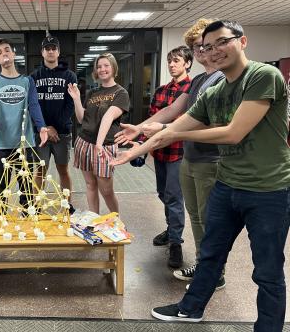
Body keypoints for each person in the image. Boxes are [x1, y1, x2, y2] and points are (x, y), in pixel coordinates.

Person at [115, 20, 290, 331]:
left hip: (268, 190)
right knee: (210, 253)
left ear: (243, 41)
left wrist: (178, 134)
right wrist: (136, 148)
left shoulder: (263, 76)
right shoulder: (214, 90)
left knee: (267, 269)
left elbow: (234, 133)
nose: (214, 51)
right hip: (228, 183)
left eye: (222, 42)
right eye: (208, 47)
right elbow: (174, 126)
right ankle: (191, 308)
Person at [116, 19, 226, 286]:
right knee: (197, 217)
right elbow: (173, 110)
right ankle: (205, 266)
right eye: (197, 47)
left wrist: (144, 142)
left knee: (209, 219)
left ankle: (213, 273)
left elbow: (196, 121)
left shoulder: (222, 79)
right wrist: (139, 129)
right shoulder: (200, 79)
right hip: (192, 157)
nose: (201, 51)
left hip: (211, 161)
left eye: (205, 45)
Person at [0, 38, 48, 208]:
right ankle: (2, 226)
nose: (3, 54)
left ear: (13, 54)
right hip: (0, 143)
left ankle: (27, 223)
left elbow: (34, 105)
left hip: (23, 144)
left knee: (26, 190)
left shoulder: (27, 82)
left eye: (6, 50)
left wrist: (41, 126)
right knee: (1, 190)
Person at [144, 46, 193, 268]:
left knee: (174, 197)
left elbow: (184, 121)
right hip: (161, 152)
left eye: (177, 60)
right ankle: (171, 228)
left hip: (179, 152)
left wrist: (161, 128)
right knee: (163, 193)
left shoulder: (192, 89)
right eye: (170, 61)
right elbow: (151, 119)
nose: (172, 64)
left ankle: (176, 243)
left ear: (187, 63)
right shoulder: (161, 90)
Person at [67, 53, 129, 214]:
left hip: (105, 146)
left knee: (106, 190)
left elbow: (108, 117)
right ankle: (94, 219)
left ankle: (117, 221)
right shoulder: (92, 93)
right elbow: (81, 119)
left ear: (113, 67)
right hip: (84, 142)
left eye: (106, 65)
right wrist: (76, 99)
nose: (102, 69)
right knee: (90, 184)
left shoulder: (120, 93)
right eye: (99, 66)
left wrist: (99, 144)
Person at [31, 36, 76, 208]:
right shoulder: (33, 77)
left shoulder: (70, 76)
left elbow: (70, 105)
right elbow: (32, 105)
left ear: (58, 51)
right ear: (42, 52)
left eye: (53, 48)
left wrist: (55, 128)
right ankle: (36, 205)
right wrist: (45, 128)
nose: (50, 51)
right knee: (40, 170)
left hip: (62, 133)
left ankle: (67, 204)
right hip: (41, 133)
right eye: (47, 48)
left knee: (63, 170)